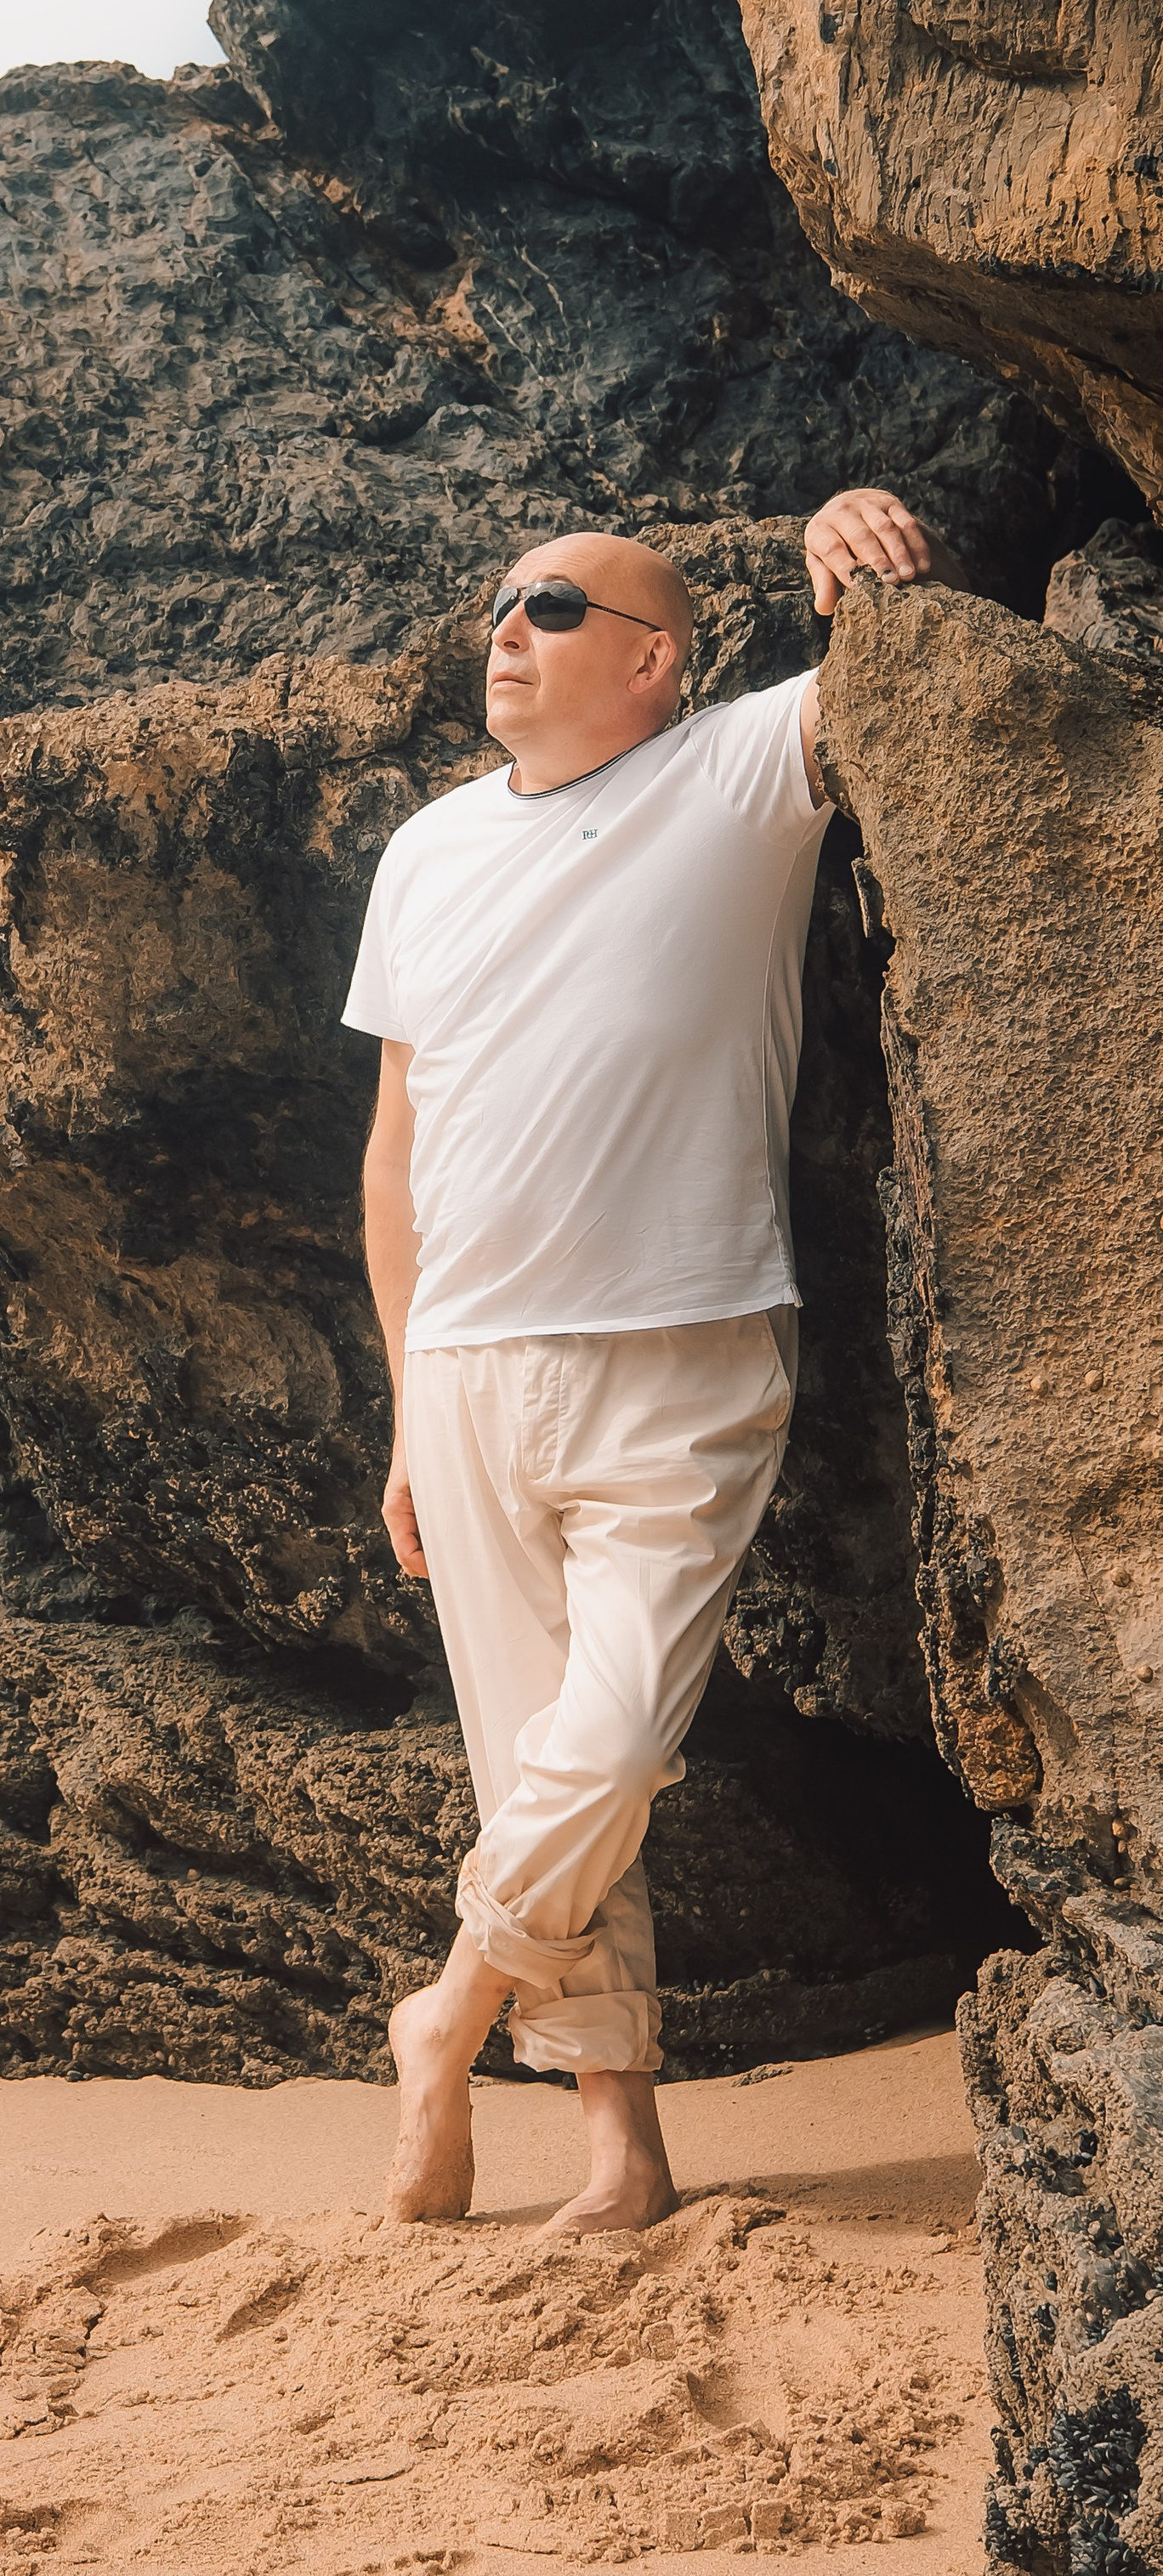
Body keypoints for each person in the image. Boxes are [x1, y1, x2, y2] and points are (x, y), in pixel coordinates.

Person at [346, 486, 968, 2234]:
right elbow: (393, 1156)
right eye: (502, 602)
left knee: (606, 1751)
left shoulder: (734, 771)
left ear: (653, 662)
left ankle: (445, 2010)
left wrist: (849, 531)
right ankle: (620, 2149)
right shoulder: (423, 853)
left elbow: (891, 674)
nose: (507, 626)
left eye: (553, 607)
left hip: (684, 1350)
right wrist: (401, 1412)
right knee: (530, 1762)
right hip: (465, 1367)